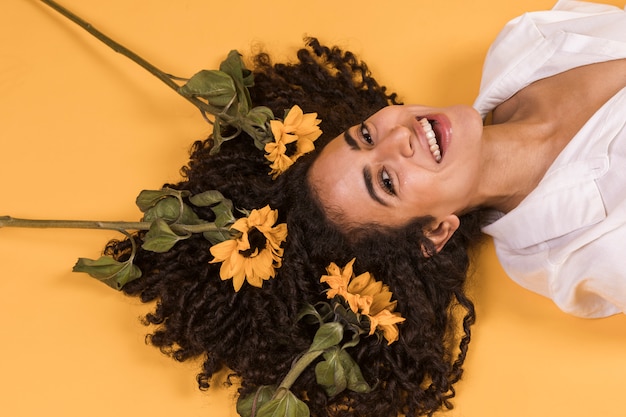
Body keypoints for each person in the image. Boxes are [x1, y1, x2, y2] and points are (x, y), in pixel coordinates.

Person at [308, 0, 626, 319]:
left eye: (366, 136)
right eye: (386, 181)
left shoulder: (519, 45)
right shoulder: (586, 254)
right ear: (434, 232)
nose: (397, 137)